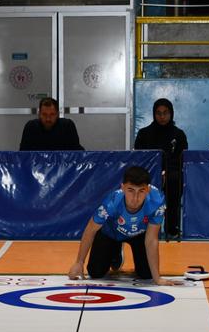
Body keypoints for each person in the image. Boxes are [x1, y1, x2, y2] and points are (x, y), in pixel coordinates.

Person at [69, 164, 168, 281]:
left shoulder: (157, 202)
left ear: (147, 190)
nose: (135, 198)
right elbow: (91, 229)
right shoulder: (112, 203)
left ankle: (125, 253)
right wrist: (79, 262)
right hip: (112, 233)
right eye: (131, 190)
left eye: (141, 191)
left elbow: (151, 239)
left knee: (147, 275)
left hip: (139, 235)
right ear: (123, 188)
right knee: (95, 272)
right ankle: (115, 250)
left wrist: (158, 279)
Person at [133, 97, 188, 239]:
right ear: (154, 114)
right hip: (149, 174)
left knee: (174, 181)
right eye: (159, 113)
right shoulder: (144, 134)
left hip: (171, 174)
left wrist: (165, 171)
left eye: (165, 113)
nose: (162, 116)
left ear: (171, 114)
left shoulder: (179, 134)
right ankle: (146, 228)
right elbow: (139, 158)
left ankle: (172, 228)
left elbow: (182, 159)